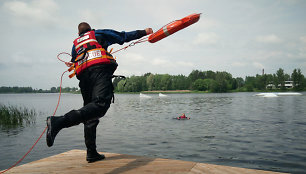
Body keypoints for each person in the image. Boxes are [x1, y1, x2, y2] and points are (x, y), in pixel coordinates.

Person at [46, 22, 153, 163]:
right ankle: (58, 122)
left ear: (79, 34)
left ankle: (91, 153)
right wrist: (144, 32)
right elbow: (123, 36)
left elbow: (74, 61)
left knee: (90, 113)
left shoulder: (76, 45)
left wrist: (73, 62)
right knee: (100, 105)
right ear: (90, 30)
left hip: (84, 78)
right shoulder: (98, 34)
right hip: (99, 71)